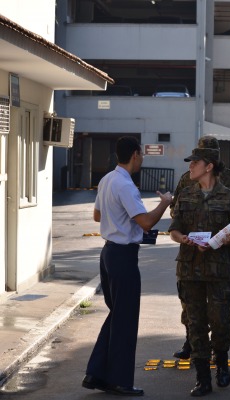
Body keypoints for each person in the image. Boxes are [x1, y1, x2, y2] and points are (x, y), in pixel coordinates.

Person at [83, 136, 172, 396]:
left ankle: (96, 372)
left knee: (117, 315)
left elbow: (97, 215)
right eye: (141, 154)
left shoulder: (107, 179)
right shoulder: (126, 185)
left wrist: (120, 219)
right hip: (123, 256)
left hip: (109, 252)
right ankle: (120, 381)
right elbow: (146, 222)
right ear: (134, 154)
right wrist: (165, 203)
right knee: (125, 319)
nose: (142, 159)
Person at [169, 147, 230, 396]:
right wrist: (185, 239)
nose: (190, 167)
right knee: (195, 324)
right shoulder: (186, 194)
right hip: (190, 270)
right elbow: (174, 230)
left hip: (220, 270)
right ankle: (202, 378)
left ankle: (221, 362)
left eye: (195, 163)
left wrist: (219, 240)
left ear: (209, 166)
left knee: (221, 322)